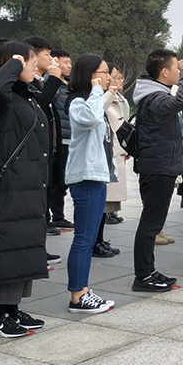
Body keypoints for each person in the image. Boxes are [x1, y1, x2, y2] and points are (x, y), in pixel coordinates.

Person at [0, 41, 50, 337]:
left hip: (30, 184)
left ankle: (13, 308)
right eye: (28, 62)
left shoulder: (26, 96)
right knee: (6, 246)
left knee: (25, 247)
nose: (34, 67)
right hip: (10, 186)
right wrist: (14, 64)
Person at [131, 49, 183, 292]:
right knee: (150, 224)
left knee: (153, 223)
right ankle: (142, 277)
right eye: (176, 67)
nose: (179, 71)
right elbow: (182, 101)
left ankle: (148, 271)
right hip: (157, 167)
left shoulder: (155, 94)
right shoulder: (154, 98)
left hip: (160, 165)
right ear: (164, 71)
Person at [64, 54, 118, 314]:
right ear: (90, 75)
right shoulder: (76, 102)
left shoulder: (92, 101)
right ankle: (77, 295)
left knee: (88, 237)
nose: (108, 76)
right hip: (85, 178)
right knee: (84, 239)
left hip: (97, 177)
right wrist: (98, 91)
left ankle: (83, 290)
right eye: (104, 72)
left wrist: (104, 93)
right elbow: (91, 119)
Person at [23, 37, 65, 240]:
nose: (51, 58)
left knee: (51, 185)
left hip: (51, 143)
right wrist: (54, 79)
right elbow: (38, 106)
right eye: (47, 54)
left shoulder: (41, 80)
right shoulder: (28, 83)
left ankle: (44, 224)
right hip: (36, 147)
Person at [97, 66, 129, 257]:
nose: (111, 78)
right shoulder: (94, 97)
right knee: (100, 204)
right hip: (105, 153)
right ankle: (96, 242)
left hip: (116, 150)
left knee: (105, 203)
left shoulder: (113, 96)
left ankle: (100, 240)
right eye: (107, 74)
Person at [46, 48, 74, 231]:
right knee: (54, 181)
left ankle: (59, 215)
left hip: (71, 137)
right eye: (66, 63)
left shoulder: (70, 86)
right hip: (59, 138)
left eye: (70, 63)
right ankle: (49, 217)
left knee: (63, 181)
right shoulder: (52, 84)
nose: (69, 66)